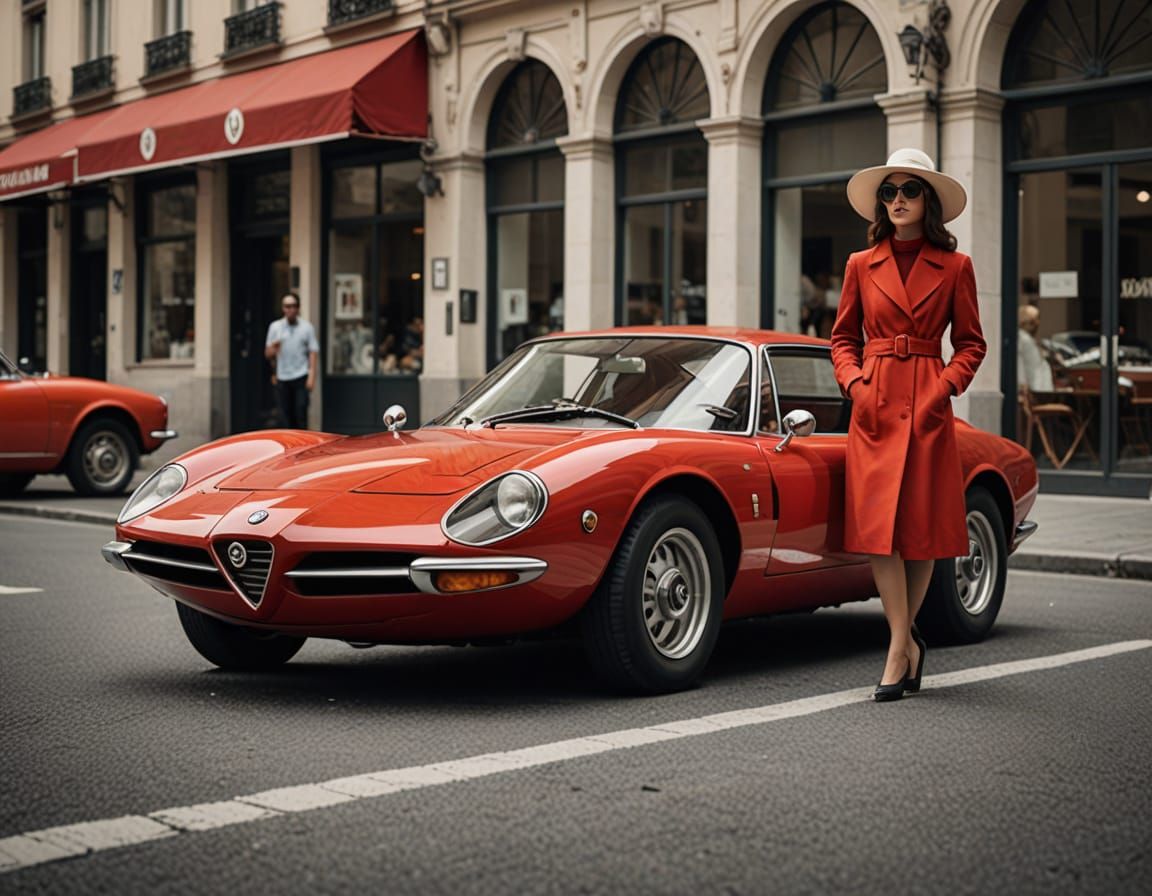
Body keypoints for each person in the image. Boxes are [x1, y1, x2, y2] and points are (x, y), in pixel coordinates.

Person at [831, 148, 987, 702]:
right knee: (878, 533)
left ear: (929, 203)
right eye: (889, 191)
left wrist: (943, 388)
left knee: (918, 534)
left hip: (926, 402)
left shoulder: (956, 267)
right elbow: (841, 338)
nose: (897, 200)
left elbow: (971, 343)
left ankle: (899, 648)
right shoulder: (859, 264)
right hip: (873, 404)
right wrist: (855, 384)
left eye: (909, 190)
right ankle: (905, 644)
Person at [264, 292, 319, 429]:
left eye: (294, 306)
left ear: (298, 308)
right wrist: (273, 348)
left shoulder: (306, 327)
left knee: (301, 414)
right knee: (284, 417)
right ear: (283, 308)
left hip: (300, 375)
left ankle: (304, 448)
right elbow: (267, 354)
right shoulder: (275, 327)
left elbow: (313, 351)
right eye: (287, 306)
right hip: (282, 377)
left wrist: (311, 376)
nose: (291, 309)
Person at [1018, 304, 1054, 392]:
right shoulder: (1022, 338)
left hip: (1039, 388)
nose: (1037, 323)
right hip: (1033, 388)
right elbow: (1019, 362)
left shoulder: (1028, 339)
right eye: (1033, 321)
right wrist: (1022, 384)